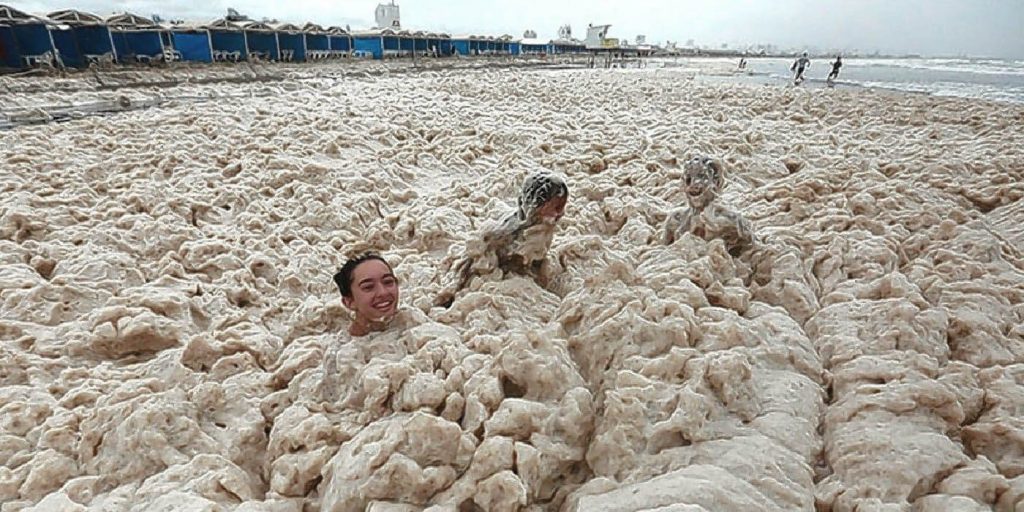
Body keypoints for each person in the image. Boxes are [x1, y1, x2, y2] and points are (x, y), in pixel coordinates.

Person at [434, 171, 569, 307]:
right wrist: (453, 288)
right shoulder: (510, 233)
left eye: (562, 208)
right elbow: (472, 257)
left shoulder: (543, 227)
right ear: (535, 207)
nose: (560, 214)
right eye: (556, 208)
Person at [663, 156, 754, 256]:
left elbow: (751, 256)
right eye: (688, 178)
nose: (693, 184)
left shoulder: (732, 222)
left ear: (716, 182)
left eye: (701, 177)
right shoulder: (676, 221)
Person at [333, 252, 400, 336]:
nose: (383, 293)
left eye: (388, 281)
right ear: (349, 302)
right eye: (368, 287)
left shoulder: (413, 323)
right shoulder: (344, 345)